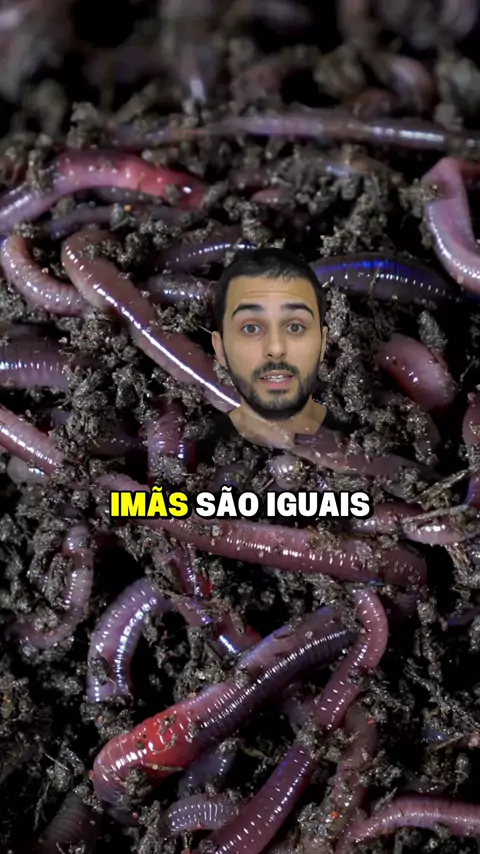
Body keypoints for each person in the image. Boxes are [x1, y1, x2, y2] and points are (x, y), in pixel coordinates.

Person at [210, 246, 335, 448]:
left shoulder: (367, 439)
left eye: (295, 327)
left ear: (323, 343)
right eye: (251, 328)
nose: (276, 349)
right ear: (220, 349)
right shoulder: (203, 446)